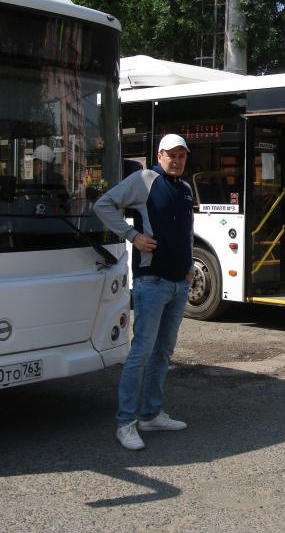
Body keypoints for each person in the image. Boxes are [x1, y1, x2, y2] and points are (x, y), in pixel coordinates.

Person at [93, 133, 194, 450]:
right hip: (152, 282)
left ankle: (151, 415)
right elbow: (103, 204)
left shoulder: (186, 188)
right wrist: (132, 235)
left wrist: (190, 265)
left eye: (181, 156)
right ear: (159, 155)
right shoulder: (144, 179)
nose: (176, 160)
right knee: (141, 354)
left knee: (163, 352)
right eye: (171, 155)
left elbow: (186, 229)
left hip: (179, 283)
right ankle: (126, 423)